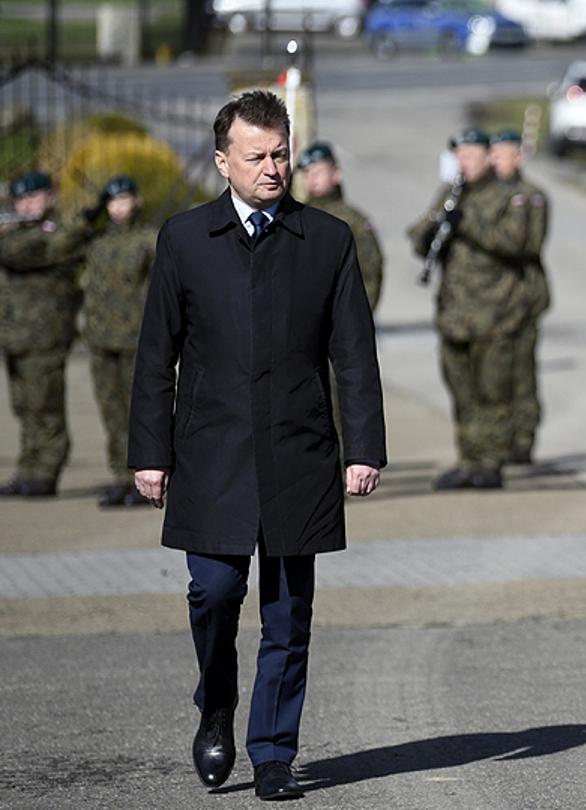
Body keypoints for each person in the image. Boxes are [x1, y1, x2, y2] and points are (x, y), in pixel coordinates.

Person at [127, 89, 384, 801]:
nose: (273, 168)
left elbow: (354, 354)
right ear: (222, 161)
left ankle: (273, 753)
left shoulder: (327, 240)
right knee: (214, 592)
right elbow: (156, 355)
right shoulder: (183, 239)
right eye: (257, 156)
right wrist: (149, 452)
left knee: (287, 612)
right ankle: (216, 704)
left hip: (298, 448)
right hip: (209, 451)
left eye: (281, 154)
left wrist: (364, 448)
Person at [409, 128, 527, 490]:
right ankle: (468, 458)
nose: (464, 162)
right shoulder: (451, 194)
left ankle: (490, 462)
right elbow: (417, 236)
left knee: (492, 391)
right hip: (454, 313)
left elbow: (516, 242)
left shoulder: (510, 196)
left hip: (494, 313)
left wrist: (469, 225)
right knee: (461, 391)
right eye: (460, 156)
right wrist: (431, 234)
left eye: (471, 155)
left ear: (488, 157)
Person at [0, 170, 86, 497]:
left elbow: (30, 252)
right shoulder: (14, 233)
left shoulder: (59, 233)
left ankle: (46, 470)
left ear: (49, 197)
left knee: (45, 406)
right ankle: (27, 467)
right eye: (21, 199)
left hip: (46, 335)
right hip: (16, 337)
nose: (27, 205)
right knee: (23, 407)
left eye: (34, 197)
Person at [77, 175, 158, 508]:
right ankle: (120, 477)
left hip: (136, 339)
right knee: (111, 411)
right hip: (101, 341)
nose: (119, 207)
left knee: (139, 412)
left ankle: (145, 477)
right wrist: (86, 216)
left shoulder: (149, 239)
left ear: (136, 201)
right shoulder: (95, 242)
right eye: (111, 201)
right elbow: (62, 242)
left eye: (125, 199)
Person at [487, 130, 550, 465]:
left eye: (502, 153)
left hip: (523, 299)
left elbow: (528, 244)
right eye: (492, 153)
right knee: (495, 374)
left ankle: (523, 438)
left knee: (522, 372)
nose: (495, 160)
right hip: (491, 303)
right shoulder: (484, 194)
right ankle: (499, 435)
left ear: (519, 157)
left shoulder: (532, 196)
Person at [297, 141, 385, 314]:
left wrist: (357, 317)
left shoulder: (354, 222)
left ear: (336, 174)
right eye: (308, 173)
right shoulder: (296, 217)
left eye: (318, 172)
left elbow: (370, 271)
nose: (312, 178)